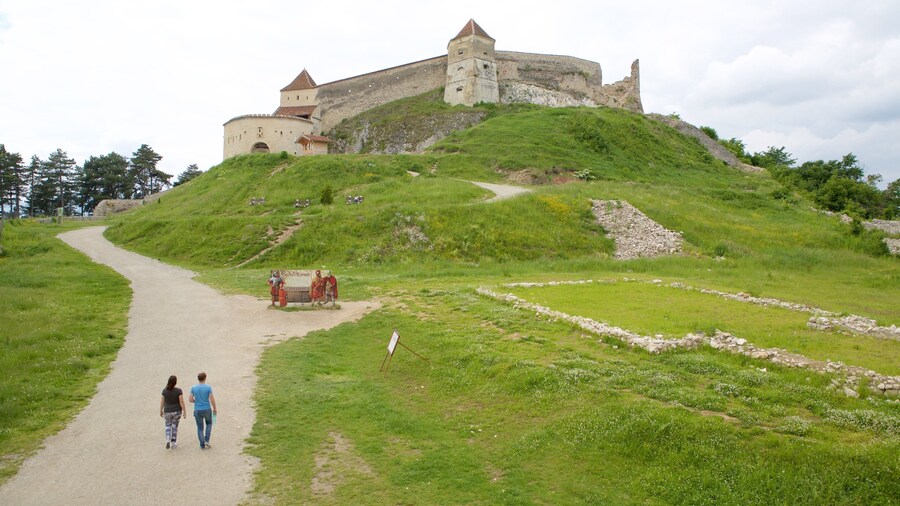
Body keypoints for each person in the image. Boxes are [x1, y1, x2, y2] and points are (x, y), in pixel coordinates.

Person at [189, 372, 217, 449]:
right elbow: (211, 399)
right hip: (207, 409)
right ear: (205, 378)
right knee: (209, 423)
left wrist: (196, 401)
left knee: (200, 428)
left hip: (197, 410)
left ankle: (202, 444)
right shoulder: (208, 387)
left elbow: (190, 399)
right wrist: (215, 408)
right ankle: (207, 440)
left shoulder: (193, 388)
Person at [159, 375, 186, 449]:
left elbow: (162, 402)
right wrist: (184, 411)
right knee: (174, 426)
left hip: (167, 411)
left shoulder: (164, 391)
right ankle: (173, 442)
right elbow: (181, 402)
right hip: (177, 411)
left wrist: (160, 410)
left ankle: (168, 439)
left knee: (168, 426)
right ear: (175, 382)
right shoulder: (179, 391)